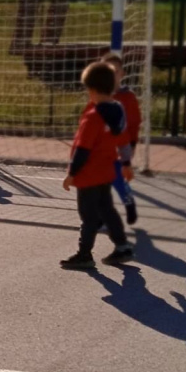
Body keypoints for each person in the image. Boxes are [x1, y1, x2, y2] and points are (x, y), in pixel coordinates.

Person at [60, 62, 135, 270]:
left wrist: (72, 174)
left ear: (92, 89)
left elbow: (83, 150)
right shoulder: (118, 111)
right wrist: (126, 163)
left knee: (88, 216)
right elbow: (123, 141)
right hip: (106, 172)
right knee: (107, 210)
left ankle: (84, 254)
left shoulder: (93, 117)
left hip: (88, 175)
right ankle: (122, 246)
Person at [105, 54, 141, 225]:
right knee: (100, 184)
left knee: (118, 181)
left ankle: (129, 202)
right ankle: (101, 215)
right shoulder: (98, 95)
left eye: (115, 71)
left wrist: (132, 144)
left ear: (122, 74)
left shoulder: (128, 97)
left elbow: (134, 123)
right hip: (102, 149)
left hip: (120, 148)